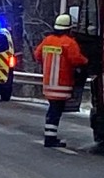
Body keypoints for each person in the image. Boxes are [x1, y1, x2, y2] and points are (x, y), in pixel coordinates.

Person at [34, 14, 88, 148]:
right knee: (55, 111)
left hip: (48, 84)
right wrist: (87, 62)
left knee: (53, 109)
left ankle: (50, 136)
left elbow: (37, 55)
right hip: (62, 84)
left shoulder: (47, 40)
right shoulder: (69, 42)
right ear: (69, 28)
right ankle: (50, 138)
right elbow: (76, 59)